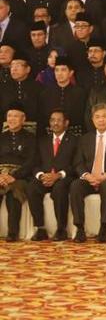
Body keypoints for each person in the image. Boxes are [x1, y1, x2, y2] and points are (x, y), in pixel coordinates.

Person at [69, 103, 106, 243]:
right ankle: (80, 229)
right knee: (75, 185)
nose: (101, 120)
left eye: (104, 116)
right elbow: (78, 163)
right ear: (92, 119)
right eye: (97, 117)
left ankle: (103, 228)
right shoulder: (85, 138)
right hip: (89, 179)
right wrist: (87, 176)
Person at [27, 108, 78, 241]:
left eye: (59, 120)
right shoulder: (42, 140)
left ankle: (61, 229)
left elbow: (76, 165)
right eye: (52, 120)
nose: (55, 123)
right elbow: (34, 162)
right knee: (32, 187)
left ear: (66, 123)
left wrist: (59, 175)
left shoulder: (75, 141)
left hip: (64, 178)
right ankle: (40, 228)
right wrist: (41, 175)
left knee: (60, 189)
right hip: (45, 177)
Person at [0, 103, 37, 242]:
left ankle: (12, 232)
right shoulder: (1, 137)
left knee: (13, 192)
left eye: (16, 116)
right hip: (1, 175)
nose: (12, 119)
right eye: (9, 116)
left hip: (20, 177)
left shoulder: (30, 138)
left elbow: (32, 162)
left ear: (23, 119)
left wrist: (13, 176)